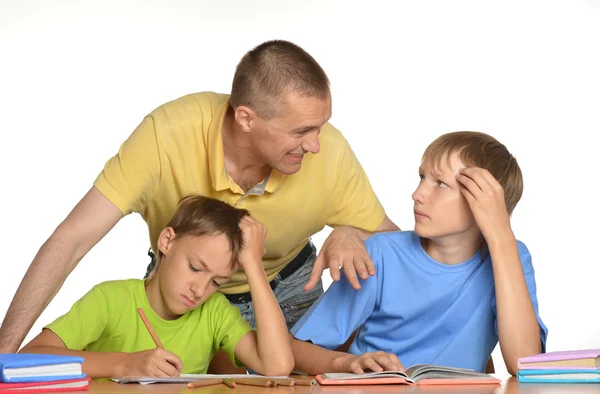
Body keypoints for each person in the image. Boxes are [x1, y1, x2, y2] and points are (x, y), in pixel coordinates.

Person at [0, 40, 399, 373]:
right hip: (202, 304)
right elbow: (71, 239)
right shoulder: (166, 135)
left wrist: (351, 231)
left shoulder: (329, 151)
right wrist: (4, 355)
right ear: (246, 118)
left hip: (291, 290)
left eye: (320, 127)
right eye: (301, 131)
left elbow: (395, 244)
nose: (315, 144)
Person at [290, 131, 548, 376]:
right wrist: (347, 362)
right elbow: (296, 349)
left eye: (441, 184)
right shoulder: (380, 254)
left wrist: (501, 236)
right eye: (422, 178)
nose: (417, 194)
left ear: (484, 203)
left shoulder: (512, 257)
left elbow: (522, 362)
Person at [19, 196, 293, 378]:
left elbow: (278, 366)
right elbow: (29, 357)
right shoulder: (111, 299)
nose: (199, 289)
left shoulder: (215, 312)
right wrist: (125, 364)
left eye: (216, 282)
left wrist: (254, 265)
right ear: (166, 242)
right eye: (195, 268)